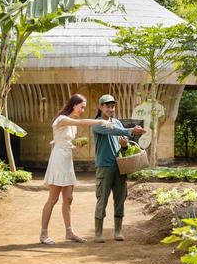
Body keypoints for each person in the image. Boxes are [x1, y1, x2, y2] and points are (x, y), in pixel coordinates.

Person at [40, 94, 113, 245]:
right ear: (74, 105)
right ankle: (43, 234)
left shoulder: (71, 125)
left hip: (67, 160)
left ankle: (69, 232)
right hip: (58, 161)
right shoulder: (62, 119)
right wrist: (101, 121)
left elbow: (65, 142)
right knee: (53, 199)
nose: (83, 110)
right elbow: (82, 122)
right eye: (82, 106)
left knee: (68, 199)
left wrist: (75, 146)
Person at [92, 94, 147, 242]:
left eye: (112, 106)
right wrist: (130, 131)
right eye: (107, 106)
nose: (110, 109)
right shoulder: (97, 123)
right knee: (102, 199)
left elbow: (124, 144)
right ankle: (98, 233)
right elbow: (113, 131)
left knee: (120, 198)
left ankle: (117, 232)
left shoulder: (116, 122)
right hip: (104, 167)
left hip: (120, 166)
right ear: (100, 107)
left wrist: (125, 145)